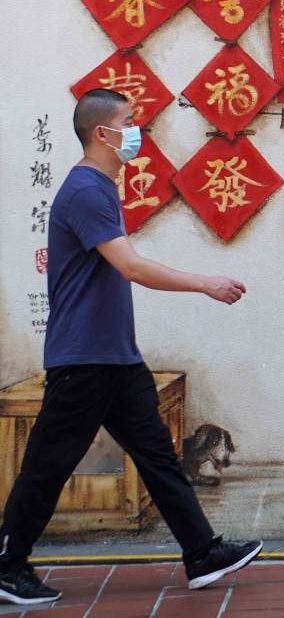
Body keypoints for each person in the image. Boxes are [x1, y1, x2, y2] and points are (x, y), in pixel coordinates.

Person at [0, 89, 261, 605]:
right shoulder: (86, 190)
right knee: (49, 465)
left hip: (115, 357)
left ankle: (201, 554)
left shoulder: (99, 188)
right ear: (103, 133)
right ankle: (7, 566)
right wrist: (204, 282)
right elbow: (132, 266)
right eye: (131, 121)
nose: (138, 129)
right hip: (83, 358)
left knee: (159, 458)